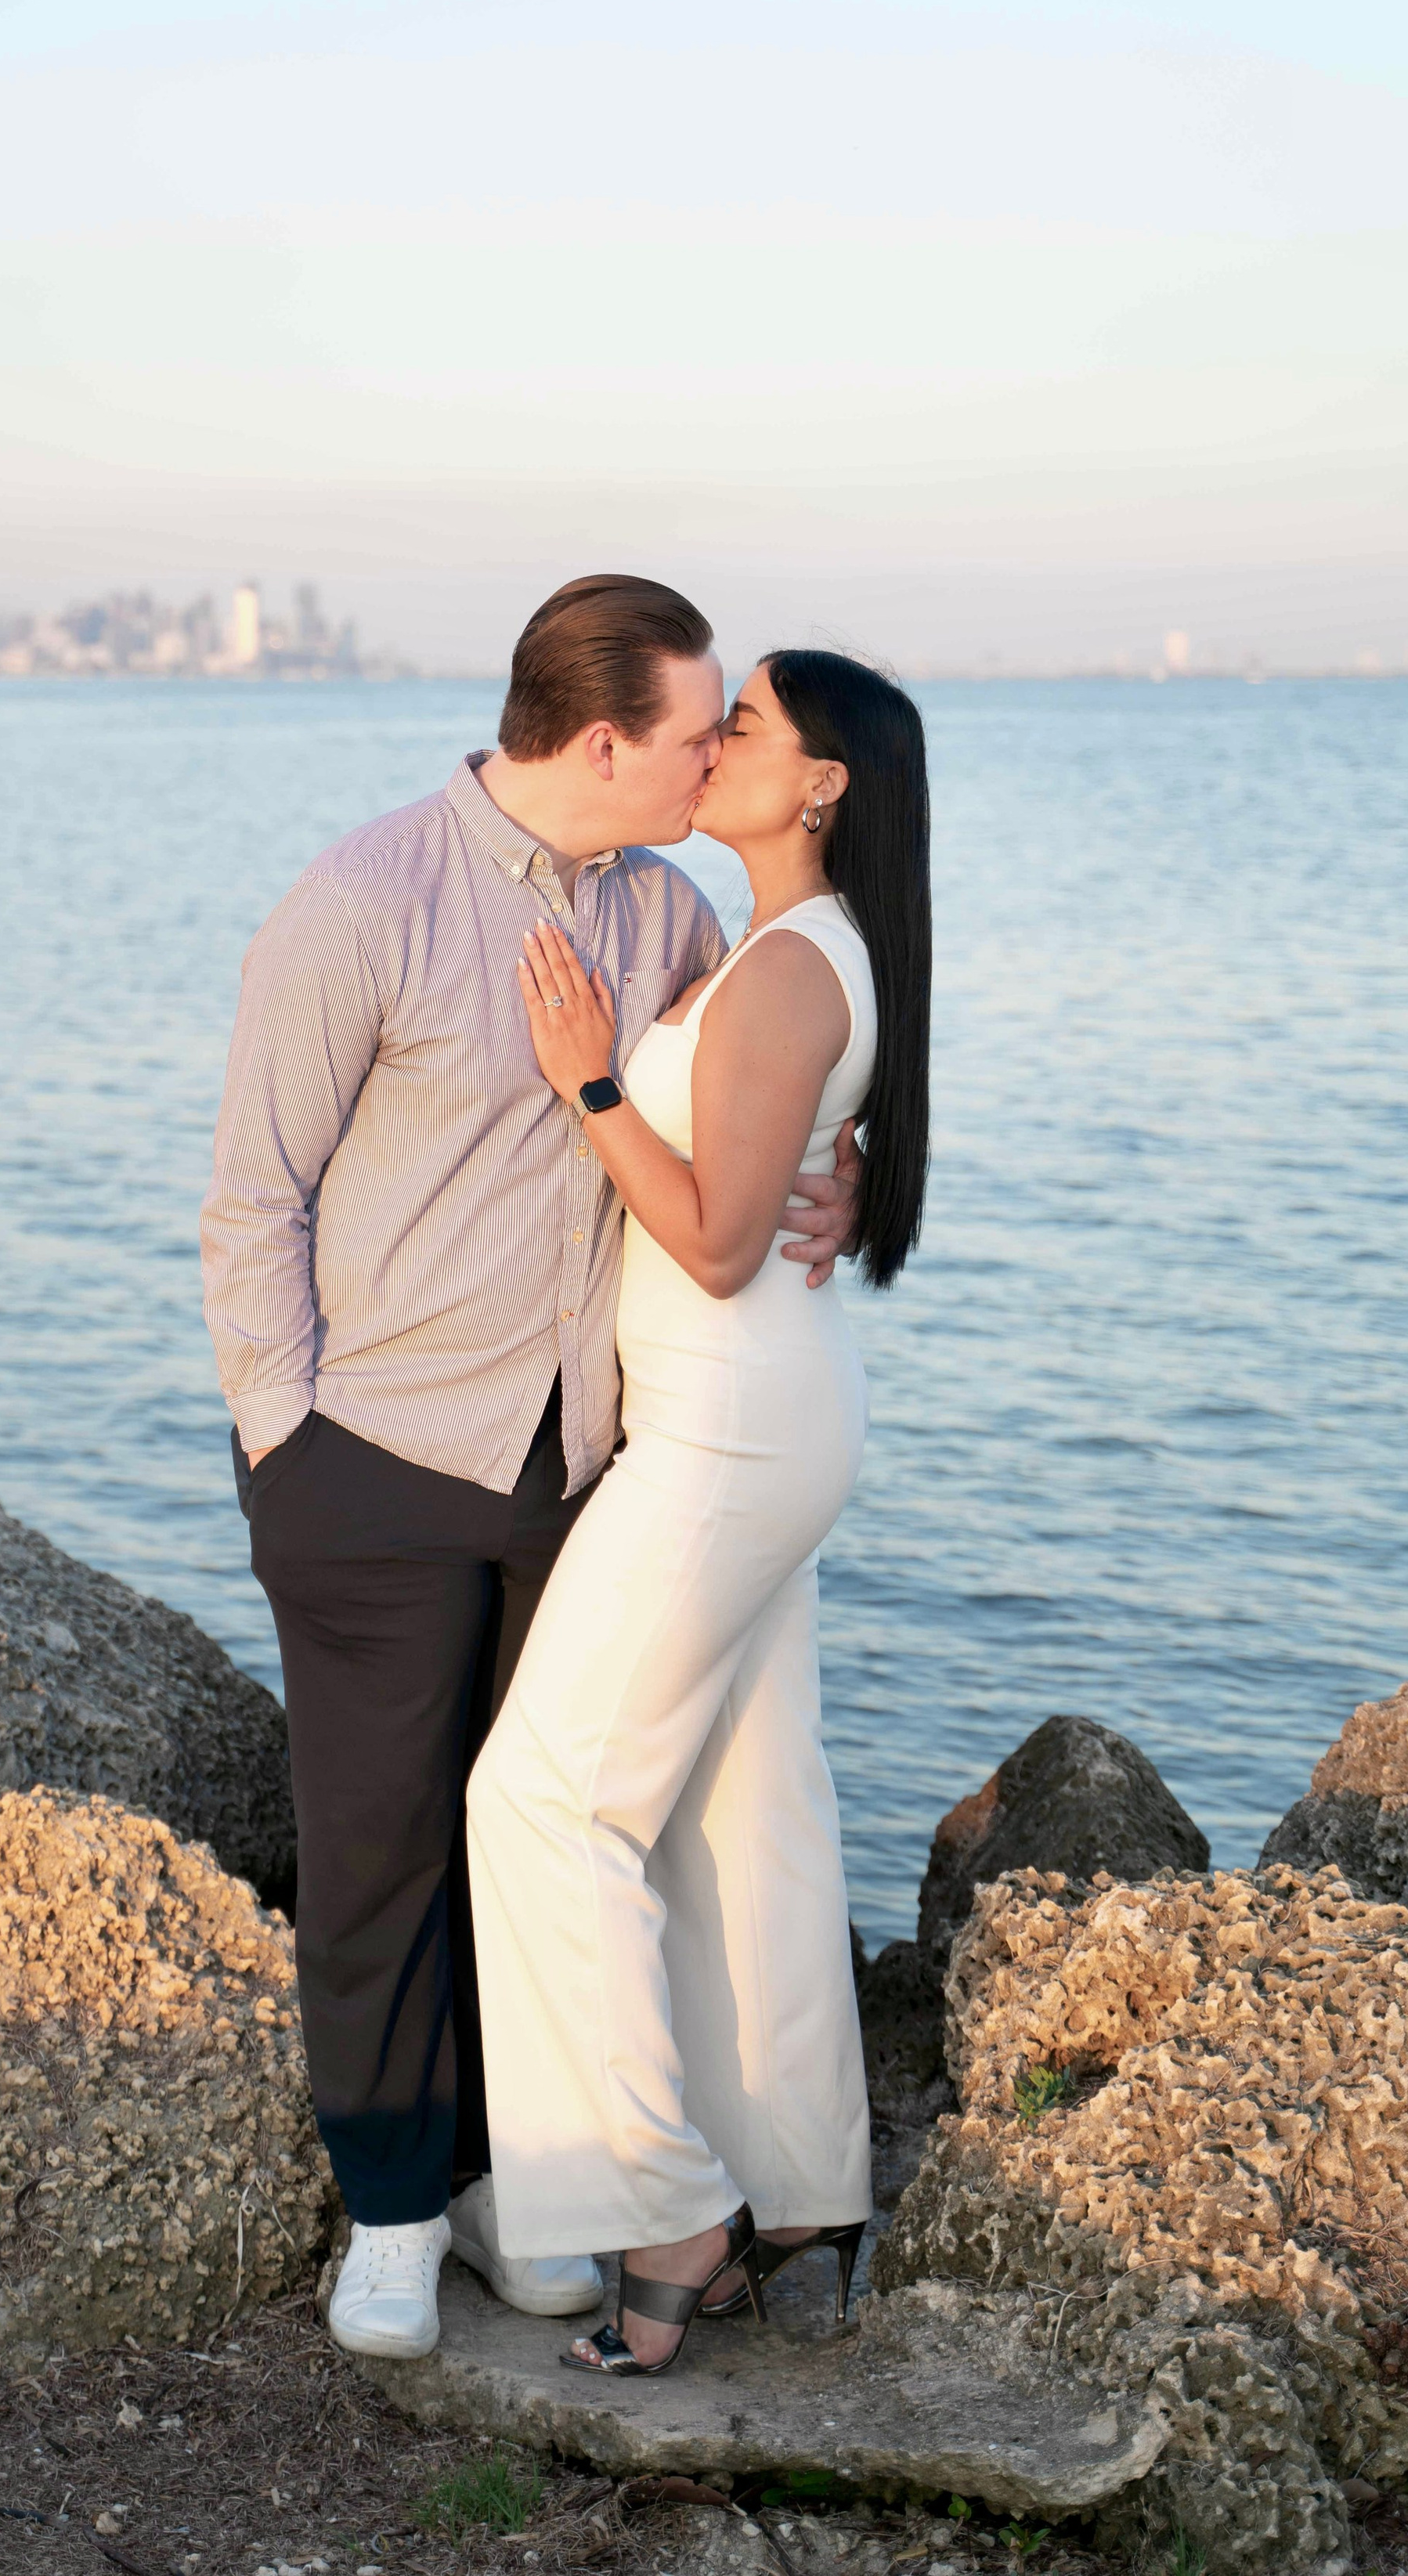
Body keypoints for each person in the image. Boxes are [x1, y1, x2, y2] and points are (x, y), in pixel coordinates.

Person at [200, 578, 863, 2362]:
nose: (714, 751)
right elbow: (253, 1195)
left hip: (581, 1461)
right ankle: (394, 2212)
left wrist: (841, 1167)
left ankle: (525, 2180)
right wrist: (288, 1448)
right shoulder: (361, 900)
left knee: (554, 1836)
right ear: (600, 745)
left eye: (735, 726)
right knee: (376, 1850)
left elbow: (766, 1078)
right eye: (694, 730)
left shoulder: (665, 915)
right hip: (375, 1454)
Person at [465, 648, 932, 2375]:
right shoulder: (778, 952)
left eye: (746, 722)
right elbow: (772, 1166)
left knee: (536, 1800)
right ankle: (797, 2182)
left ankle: (664, 2206)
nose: (714, 738)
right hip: (755, 1415)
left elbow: (722, 1239)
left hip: (728, 1432)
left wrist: (588, 1078)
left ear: (822, 785)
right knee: (744, 1809)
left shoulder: (792, 966)